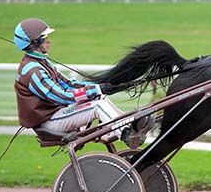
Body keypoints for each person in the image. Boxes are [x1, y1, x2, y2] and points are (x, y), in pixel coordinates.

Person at [13, 18, 148, 148]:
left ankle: (129, 125)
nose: (49, 41)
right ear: (35, 42)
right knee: (98, 106)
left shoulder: (41, 62)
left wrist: (99, 88)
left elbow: (68, 84)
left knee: (99, 97)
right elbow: (61, 95)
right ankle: (126, 134)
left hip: (55, 114)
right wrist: (95, 90)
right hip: (48, 122)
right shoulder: (32, 70)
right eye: (45, 38)